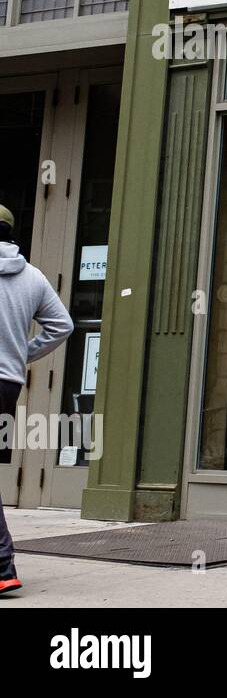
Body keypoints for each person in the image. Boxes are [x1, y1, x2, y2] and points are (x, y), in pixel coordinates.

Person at [0, 204, 74, 596]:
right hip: (7, 384)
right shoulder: (32, 276)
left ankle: (2, 566)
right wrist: (21, 353)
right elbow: (63, 325)